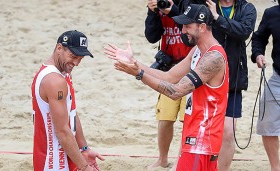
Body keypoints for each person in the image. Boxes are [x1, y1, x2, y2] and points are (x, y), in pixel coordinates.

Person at [104, 4, 229, 170]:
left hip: (203, 138)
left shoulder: (213, 57)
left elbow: (176, 91)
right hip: (194, 134)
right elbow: (170, 77)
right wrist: (134, 63)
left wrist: (138, 74)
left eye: (187, 26)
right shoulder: (197, 50)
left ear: (203, 27)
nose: (182, 31)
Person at [31, 30, 104, 171]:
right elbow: (62, 131)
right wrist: (84, 167)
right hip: (53, 162)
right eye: (73, 56)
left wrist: (84, 148)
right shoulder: (54, 81)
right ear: (59, 48)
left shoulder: (62, 72)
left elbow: (71, 112)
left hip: (65, 154)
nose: (76, 63)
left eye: (80, 58)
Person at [206, 0, 257, 170]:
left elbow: (244, 32)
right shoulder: (206, 4)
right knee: (203, 130)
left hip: (234, 80)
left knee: (228, 133)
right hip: (206, 78)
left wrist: (217, 18)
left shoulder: (247, 8)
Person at [144, 0, 192, 169]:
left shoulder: (189, 4)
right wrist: (152, 13)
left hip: (190, 70)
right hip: (169, 69)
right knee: (164, 118)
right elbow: (151, 37)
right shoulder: (159, 8)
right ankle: (162, 159)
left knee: (188, 120)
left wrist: (173, 11)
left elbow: (189, 35)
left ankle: (181, 160)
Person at [251, 1, 280, 170]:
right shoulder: (271, 13)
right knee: (267, 124)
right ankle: (275, 168)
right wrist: (258, 54)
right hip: (277, 79)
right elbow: (259, 37)